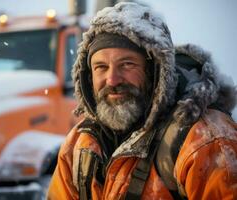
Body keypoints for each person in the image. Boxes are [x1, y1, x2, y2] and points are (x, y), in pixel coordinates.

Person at [47, 1, 237, 199]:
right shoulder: (80, 145)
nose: (112, 80)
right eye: (101, 67)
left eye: (127, 64)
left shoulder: (206, 141)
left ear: (156, 72)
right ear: (87, 76)